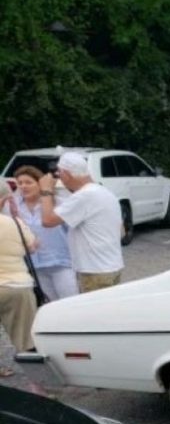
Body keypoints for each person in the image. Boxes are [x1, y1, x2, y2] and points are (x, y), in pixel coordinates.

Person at [38, 151, 124, 293]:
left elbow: (47, 220)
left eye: (59, 175)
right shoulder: (105, 192)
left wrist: (46, 190)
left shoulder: (84, 196)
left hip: (94, 271)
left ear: (66, 174)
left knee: (92, 314)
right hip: (111, 266)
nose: (60, 179)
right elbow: (121, 230)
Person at [3, 165, 79, 301]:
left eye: (28, 182)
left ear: (40, 184)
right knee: (50, 305)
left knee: (70, 302)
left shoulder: (56, 202)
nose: (23, 186)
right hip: (36, 266)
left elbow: (74, 229)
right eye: (19, 183)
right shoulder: (13, 206)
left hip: (61, 263)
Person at [0, 182, 39, 376]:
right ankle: (38, 384)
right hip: (16, 287)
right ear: (6, 200)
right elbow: (32, 246)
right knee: (26, 338)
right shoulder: (13, 223)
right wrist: (16, 216)